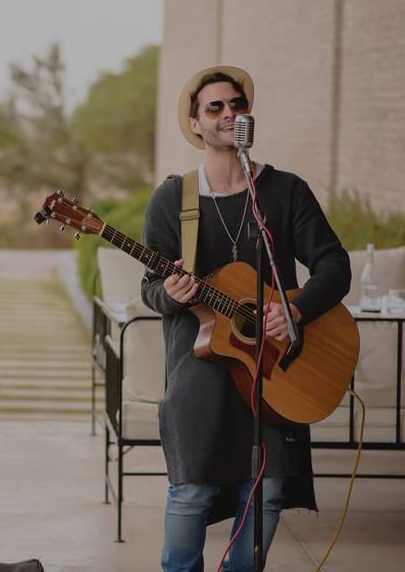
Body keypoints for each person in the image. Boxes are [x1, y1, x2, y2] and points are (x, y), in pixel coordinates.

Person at [141, 65, 351, 572]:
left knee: (269, 490)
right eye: (215, 107)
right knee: (190, 492)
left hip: (278, 364)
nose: (228, 114)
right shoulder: (174, 199)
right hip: (199, 364)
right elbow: (150, 290)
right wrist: (169, 292)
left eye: (236, 105)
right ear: (195, 124)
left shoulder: (285, 190)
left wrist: (295, 310)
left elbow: (334, 265)